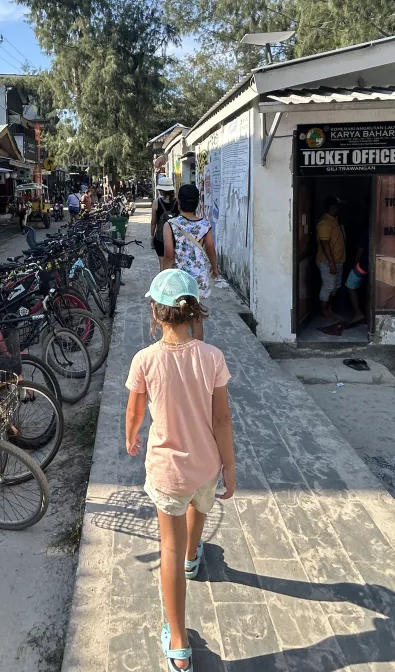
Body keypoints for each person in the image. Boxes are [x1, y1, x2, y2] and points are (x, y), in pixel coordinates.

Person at [124, 269, 235, 672]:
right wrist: (231, 469)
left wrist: (131, 435)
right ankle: (193, 557)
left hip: (168, 472)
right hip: (207, 465)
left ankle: (179, 644)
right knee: (200, 507)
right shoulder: (212, 358)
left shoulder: (145, 360)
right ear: (194, 314)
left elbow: (135, 411)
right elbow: (222, 420)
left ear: (156, 313)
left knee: (166, 547)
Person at [161, 184, 220, 341]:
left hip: (178, 278)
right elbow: (211, 249)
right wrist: (215, 269)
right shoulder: (205, 225)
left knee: (176, 313)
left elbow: (168, 254)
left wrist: (163, 275)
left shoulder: (170, 225)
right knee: (195, 314)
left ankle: (178, 347)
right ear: (197, 203)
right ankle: (197, 351)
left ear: (179, 202)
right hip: (197, 278)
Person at [316, 197, 347, 321]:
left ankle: (329, 309)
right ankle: (324, 311)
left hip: (338, 261)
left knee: (335, 287)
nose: (339, 208)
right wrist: (332, 262)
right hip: (328, 262)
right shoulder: (325, 223)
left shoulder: (334, 220)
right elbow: (325, 244)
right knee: (328, 287)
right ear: (332, 207)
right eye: (337, 206)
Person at [346, 229, 369, 326]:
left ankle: (358, 313)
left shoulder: (367, 231)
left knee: (350, 285)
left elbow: (360, 249)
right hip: (379, 264)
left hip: (364, 264)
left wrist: (355, 263)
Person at [151, 176, 178, 259]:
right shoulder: (178, 201)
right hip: (175, 237)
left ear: (161, 190)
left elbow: (153, 222)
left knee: (163, 266)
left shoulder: (156, 202)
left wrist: (152, 236)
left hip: (160, 238)